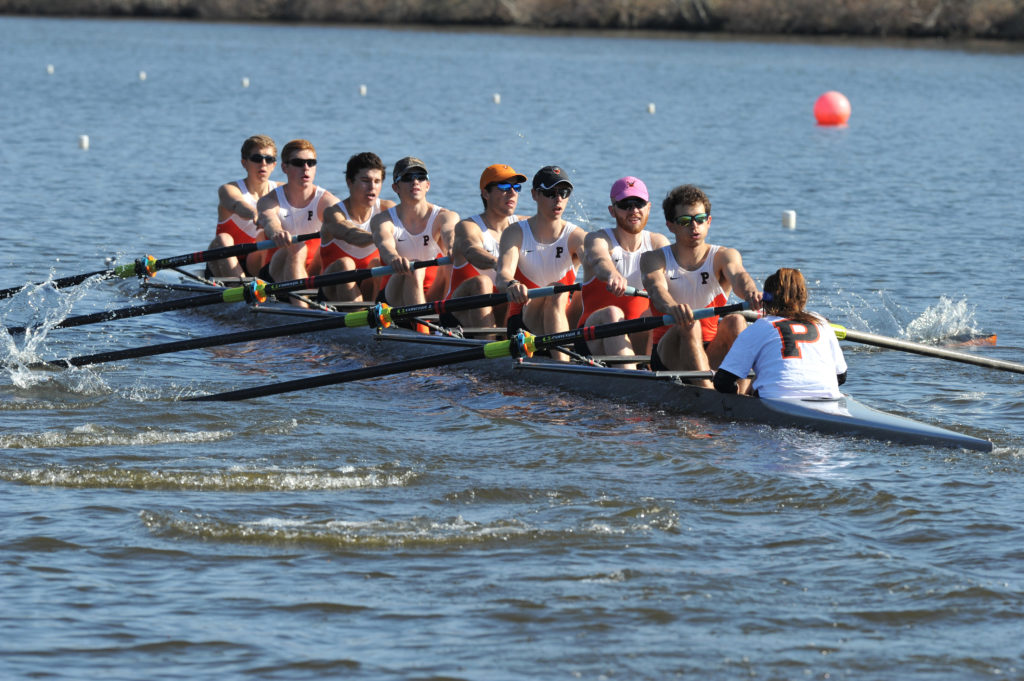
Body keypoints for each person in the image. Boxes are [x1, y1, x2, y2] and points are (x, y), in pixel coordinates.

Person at [640, 184, 761, 387]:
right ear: (671, 225)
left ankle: (743, 395)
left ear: (709, 221)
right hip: (669, 353)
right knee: (690, 322)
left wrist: (752, 293)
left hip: (711, 349)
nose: (694, 227)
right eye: (685, 221)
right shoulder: (654, 259)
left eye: (700, 219)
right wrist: (672, 307)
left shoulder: (724, 256)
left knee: (736, 320)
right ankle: (710, 394)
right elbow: (657, 290)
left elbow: (740, 276)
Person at [576, 176, 669, 369]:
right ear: (612, 210)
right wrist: (612, 274)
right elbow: (600, 259)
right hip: (594, 336)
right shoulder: (598, 239)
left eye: (639, 203)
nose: (633, 210)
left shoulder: (659, 243)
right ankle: (634, 377)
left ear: (649, 207)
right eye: (625, 204)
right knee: (613, 312)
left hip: (641, 336)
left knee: (663, 310)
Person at [714, 268, 847, 398]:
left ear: (766, 299)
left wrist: (740, 402)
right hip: (828, 399)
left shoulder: (761, 326)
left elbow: (722, 382)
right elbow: (841, 377)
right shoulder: (822, 323)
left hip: (775, 400)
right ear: (803, 297)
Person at [495, 165, 586, 355]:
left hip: (564, 316)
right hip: (524, 320)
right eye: (550, 193)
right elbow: (502, 275)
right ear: (535, 194)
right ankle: (564, 364)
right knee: (556, 290)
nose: (558, 198)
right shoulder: (516, 233)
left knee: (587, 293)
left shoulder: (576, 236)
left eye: (564, 192)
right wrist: (512, 284)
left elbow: (598, 265)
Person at [440, 163, 528, 332]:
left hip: (503, 306)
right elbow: (472, 251)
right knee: (483, 282)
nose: (512, 193)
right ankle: (489, 346)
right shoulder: (468, 226)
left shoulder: (525, 225)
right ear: (485, 193)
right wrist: (500, 265)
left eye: (516, 187)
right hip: (459, 310)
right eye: (504, 186)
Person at [257, 139, 340, 305]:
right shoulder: (270, 200)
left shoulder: (327, 201)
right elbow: (269, 219)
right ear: (284, 168)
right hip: (277, 275)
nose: (306, 168)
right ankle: (303, 310)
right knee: (298, 246)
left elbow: (344, 224)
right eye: (298, 163)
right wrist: (277, 232)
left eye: (311, 163)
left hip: (315, 272)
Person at [370, 157, 459, 307]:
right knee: (414, 268)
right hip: (394, 295)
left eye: (420, 177)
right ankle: (423, 328)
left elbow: (450, 233)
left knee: (450, 266)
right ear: (395, 187)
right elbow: (385, 245)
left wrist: (452, 247)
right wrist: (394, 258)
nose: (415, 181)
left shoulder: (445, 216)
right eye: (407, 178)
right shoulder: (383, 220)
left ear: (428, 185)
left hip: (433, 293)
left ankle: (431, 322)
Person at [318, 152, 396, 302]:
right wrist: (380, 238)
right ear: (349, 182)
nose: (372, 187)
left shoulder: (388, 210)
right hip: (333, 288)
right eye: (365, 180)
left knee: (377, 264)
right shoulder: (333, 213)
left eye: (377, 181)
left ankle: (377, 312)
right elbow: (350, 234)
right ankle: (359, 316)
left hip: (370, 284)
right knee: (346, 263)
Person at [206, 135, 282, 279]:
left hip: (258, 262)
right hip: (224, 261)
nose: (263, 164)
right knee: (223, 239)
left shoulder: (282, 190)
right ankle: (241, 290)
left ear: (274, 165)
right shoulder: (229, 189)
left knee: (265, 238)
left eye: (269, 159)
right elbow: (237, 204)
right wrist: (256, 214)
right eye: (257, 159)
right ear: (244, 163)